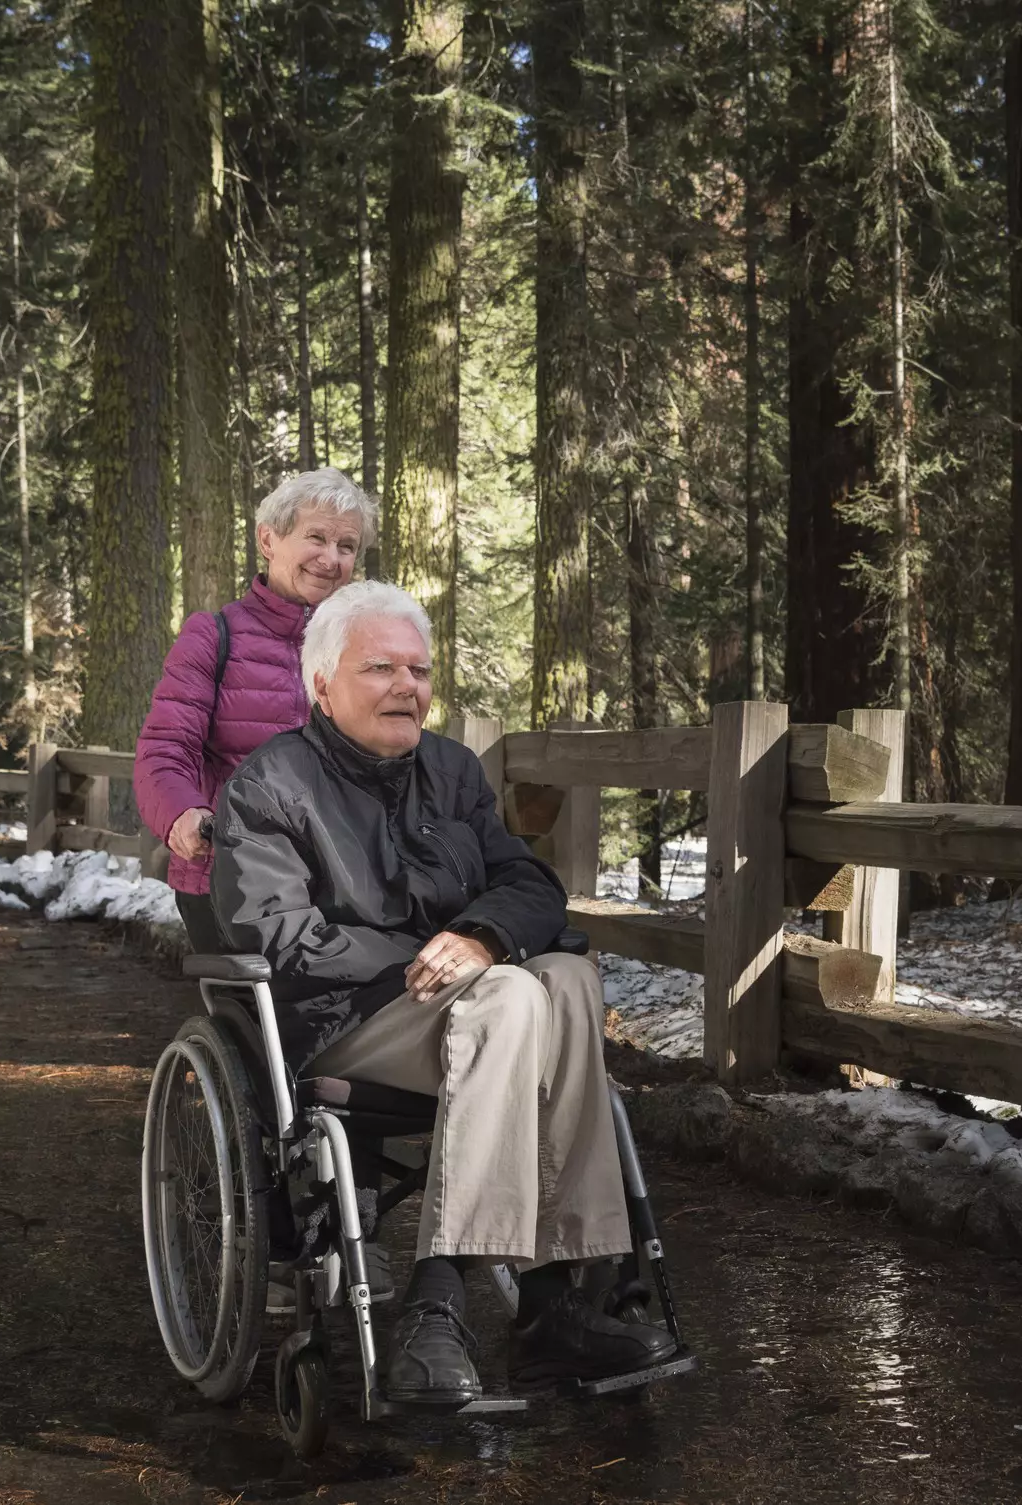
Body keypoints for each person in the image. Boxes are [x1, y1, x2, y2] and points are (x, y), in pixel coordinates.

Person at [210, 579, 679, 1400]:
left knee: (563, 973)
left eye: (420, 670)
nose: (407, 686)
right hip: (346, 1021)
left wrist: (484, 937)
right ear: (321, 683)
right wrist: (433, 960)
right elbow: (275, 936)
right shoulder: (271, 785)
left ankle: (553, 1301)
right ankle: (439, 1297)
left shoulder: (452, 771)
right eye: (380, 667)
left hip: (473, 1012)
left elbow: (530, 884)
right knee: (509, 996)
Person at [135, 468, 374, 953]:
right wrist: (183, 812)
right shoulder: (213, 635)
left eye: (346, 546)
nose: (331, 559)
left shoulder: (364, 645)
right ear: (268, 539)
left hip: (344, 878)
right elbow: (164, 750)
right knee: (265, 1019)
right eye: (316, 538)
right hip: (233, 875)